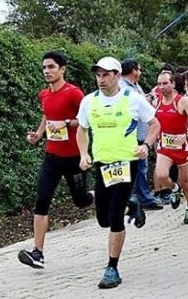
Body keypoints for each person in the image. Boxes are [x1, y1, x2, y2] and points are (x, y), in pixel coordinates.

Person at [76, 57, 160, 289]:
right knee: (103, 218)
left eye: (106, 74)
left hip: (127, 162)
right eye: (98, 75)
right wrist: (83, 154)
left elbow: (155, 124)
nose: (101, 79)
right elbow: (82, 130)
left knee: (114, 216)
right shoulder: (89, 101)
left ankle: (112, 267)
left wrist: (146, 145)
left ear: (117, 75)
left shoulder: (132, 99)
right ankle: (132, 205)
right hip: (102, 164)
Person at [18, 51, 94, 270]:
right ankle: (37, 253)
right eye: (44, 68)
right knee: (42, 199)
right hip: (52, 156)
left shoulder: (74, 93)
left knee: (81, 201)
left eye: (51, 67)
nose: (47, 71)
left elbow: (85, 120)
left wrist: (67, 123)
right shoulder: (44, 94)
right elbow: (47, 115)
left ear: (62, 69)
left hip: (73, 158)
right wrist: (39, 134)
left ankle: (110, 197)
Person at [152, 71, 188, 225]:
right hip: (165, 146)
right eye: (159, 84)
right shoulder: (157, 102)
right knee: (160, 175)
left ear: (173, 84)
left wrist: (187, 134)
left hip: (182, 147)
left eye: (165, 83)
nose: (162, 87)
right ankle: (174, 189)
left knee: (185, 181)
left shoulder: (182, 101)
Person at [118, 59, 164, 210]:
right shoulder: (122, 87)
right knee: (137, 169)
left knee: (140, 169)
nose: (140, 73)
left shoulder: (136, 87)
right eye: (139, 69)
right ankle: (143, 199)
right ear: (133, 71)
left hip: (141, 134)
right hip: (132, 135)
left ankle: (139, 199)